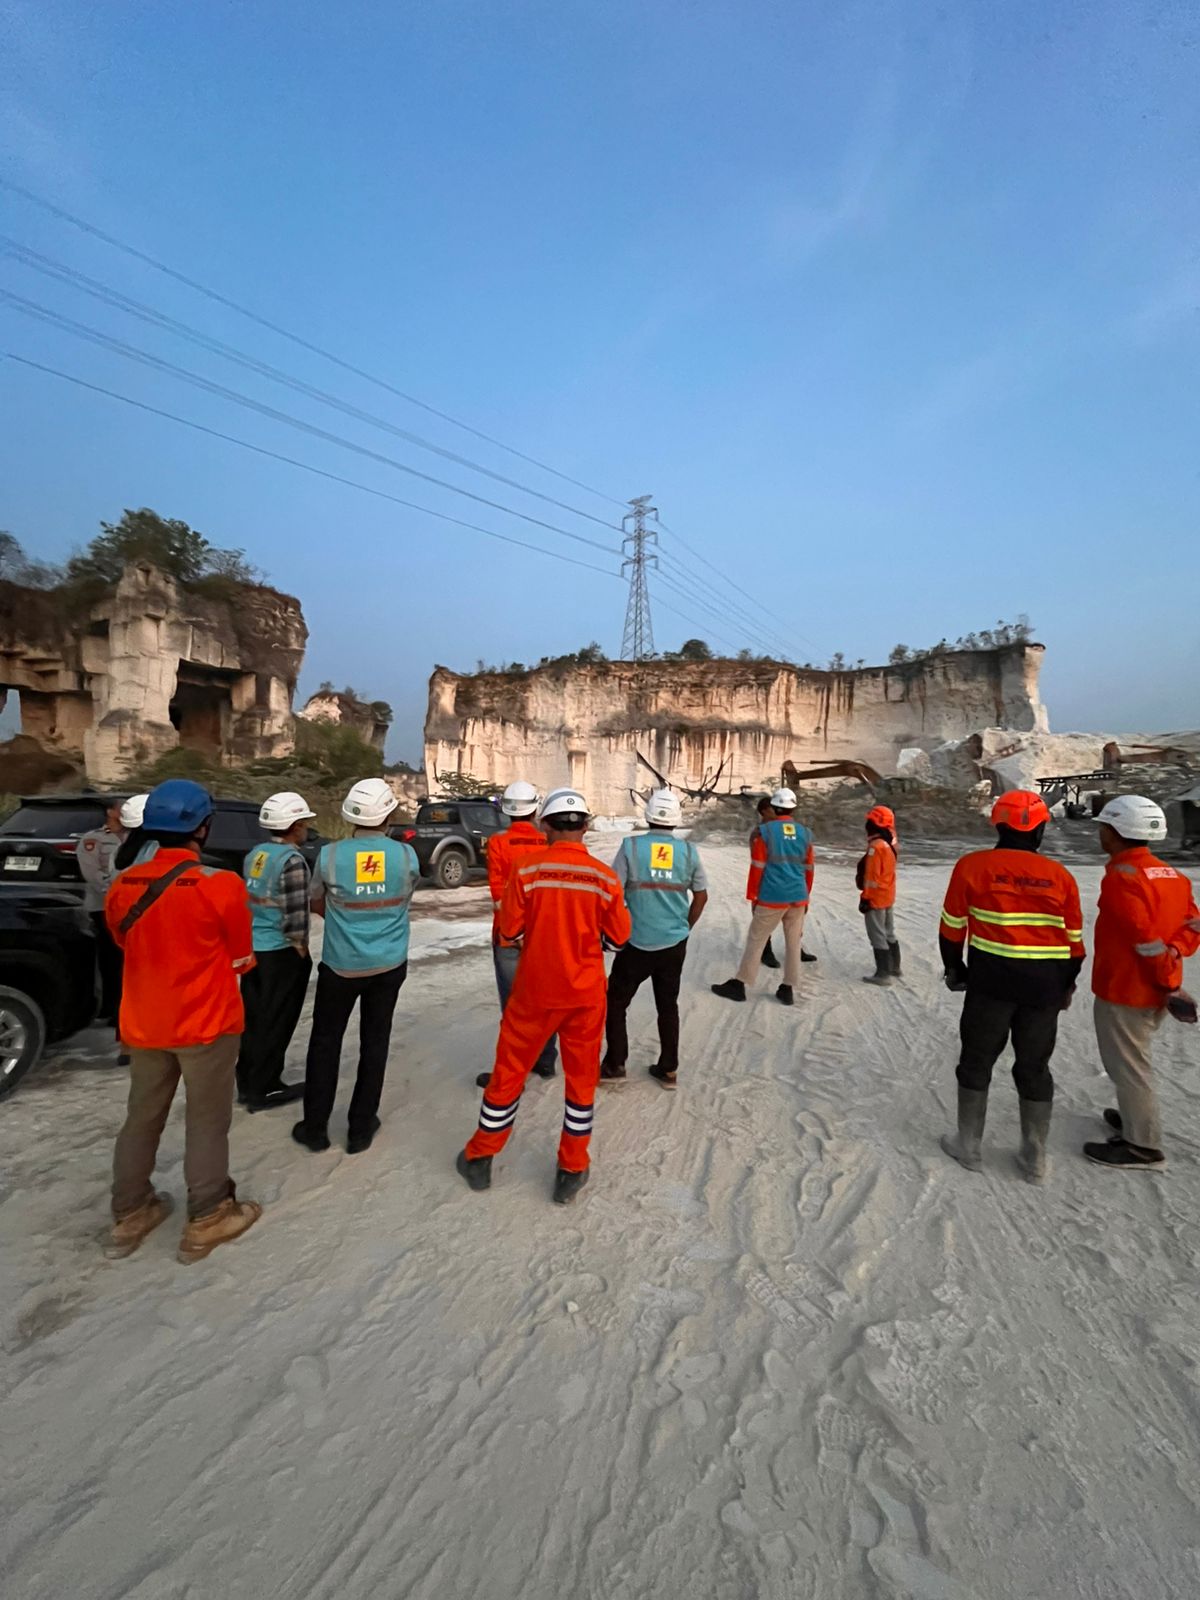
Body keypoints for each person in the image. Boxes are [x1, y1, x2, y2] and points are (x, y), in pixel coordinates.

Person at [104, 779, 262, 1264]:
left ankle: (131, 1212)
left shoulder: (123, 884)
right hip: (206, 1024)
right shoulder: (221, 884)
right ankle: (209, 1216)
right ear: (203, 827)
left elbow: (123, 942)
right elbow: (241, 959)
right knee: (207, 1121)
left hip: (144, 1025)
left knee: (141, 1117)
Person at [456, 786, 631, 1204]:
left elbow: (510, 930)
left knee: (509, 1073)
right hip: (585, 996)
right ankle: (572, 1168)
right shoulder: (605, 878)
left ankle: (480, 1156)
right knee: (581, 1082)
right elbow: (619, 939)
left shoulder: (526, 870)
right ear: (585, 827)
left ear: (546, 826)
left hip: (533, 992)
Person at [938, 789, 1085, 1183]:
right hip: (1044, 988)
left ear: (999, 827)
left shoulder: (971, 867)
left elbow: (952, 928)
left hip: (990, 983)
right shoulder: (1061, 876)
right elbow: (1075, 944)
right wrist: (1066, 987)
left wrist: (955, 970)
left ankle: (968, 1147)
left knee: (976, 1061)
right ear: (1039, 831)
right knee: (1034, 1066)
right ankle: (1034, 1157)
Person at [293, 777, 418, 1156]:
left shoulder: (330, 856)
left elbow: (316, 901)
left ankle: (315, 1128)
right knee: (375, 1042)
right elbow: (404, 897)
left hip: (341, 966)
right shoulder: (405, 856)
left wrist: (345, 920)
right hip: (389, 965)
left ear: (351, 817)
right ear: (388, 816)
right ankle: (360, 1129)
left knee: (325, 1043)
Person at [1082, 795, 1200, 1171]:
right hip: (1152, 987)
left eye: (1104, 827)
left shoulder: (1123, 879)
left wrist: (1168, 980)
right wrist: (1176, 955)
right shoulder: (1172, 875)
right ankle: (1135, 1121)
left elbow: (1144, 941)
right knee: (1134, 1060)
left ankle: (1142, 1146)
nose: (1100, 833)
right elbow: (1193, 925)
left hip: (1128, 989)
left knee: (1129, 1067)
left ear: (1115, 832)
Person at [602, 789, 708, 1090]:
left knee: (616, 1002)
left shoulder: (631, 846)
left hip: (635, 942)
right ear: (676, 819)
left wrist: (615, 930)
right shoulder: (689, 852)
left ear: (648, 816)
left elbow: (613, 892)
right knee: (667, 1005)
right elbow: (701, 896)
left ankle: (615, 1065)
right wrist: (684, 928)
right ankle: (668, 1069)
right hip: (674, 942)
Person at [473, 779, 557, 1088]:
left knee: (513, 1006)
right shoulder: (548, 841)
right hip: (544, 935)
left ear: (506, 811)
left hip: (508, 935)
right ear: (535, 809)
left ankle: (512, 1072)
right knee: (544, 1000)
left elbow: (497, 892)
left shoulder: (498, 843)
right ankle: (545, 1061)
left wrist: (515, 928)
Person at [236, 791, 316, 1112]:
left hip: (254, 946)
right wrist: (301, 950)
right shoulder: (292, 862)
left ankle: (247, 1081)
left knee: (255, 1018)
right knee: (277, 1020)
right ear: (295, 827)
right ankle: (265, 1087)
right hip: (280, 951)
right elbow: (296, 917)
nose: (306, 828)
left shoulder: (256, 854)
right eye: (304, 823)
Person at [712, 786, 814, 1007]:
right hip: (798, 895)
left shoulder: (764, 833)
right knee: (793, 942)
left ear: (774, 808)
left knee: (756, 939)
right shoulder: (805, 833)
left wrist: (753, 896)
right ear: (793, 808)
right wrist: (806, 895)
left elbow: (757, 867)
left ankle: (740, 984)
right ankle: (788, 988)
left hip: (772, 896)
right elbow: (809, 868)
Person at [77, 795, 139, 1057]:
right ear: (110, 812)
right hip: (103, 907)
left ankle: (122, 1010)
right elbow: (92, 874)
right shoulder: (93, 839)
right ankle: (110, 1008)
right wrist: (117, 893)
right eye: (121, 808)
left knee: (127, 961)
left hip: (131, 909)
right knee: (109, 961)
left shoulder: (134, 839)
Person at [754, 794, 817, 970]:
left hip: (791, 885)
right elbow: (758, 864)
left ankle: (796, 949)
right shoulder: (760, 833)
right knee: (764, 924)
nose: (775, 812)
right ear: (764, 812)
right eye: (771, 810)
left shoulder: (789, 830)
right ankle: (766, 951)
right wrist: (755, 894)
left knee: (793, 923)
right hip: (770, 886)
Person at [858, 804, 900, 985]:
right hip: (888, 894)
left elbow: (871, 877)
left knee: (877, 935)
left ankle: (883, 974)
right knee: (889, 932)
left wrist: (865, 898)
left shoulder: (876, 847)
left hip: (876, 897)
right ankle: (895, 967)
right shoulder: (891, 842)